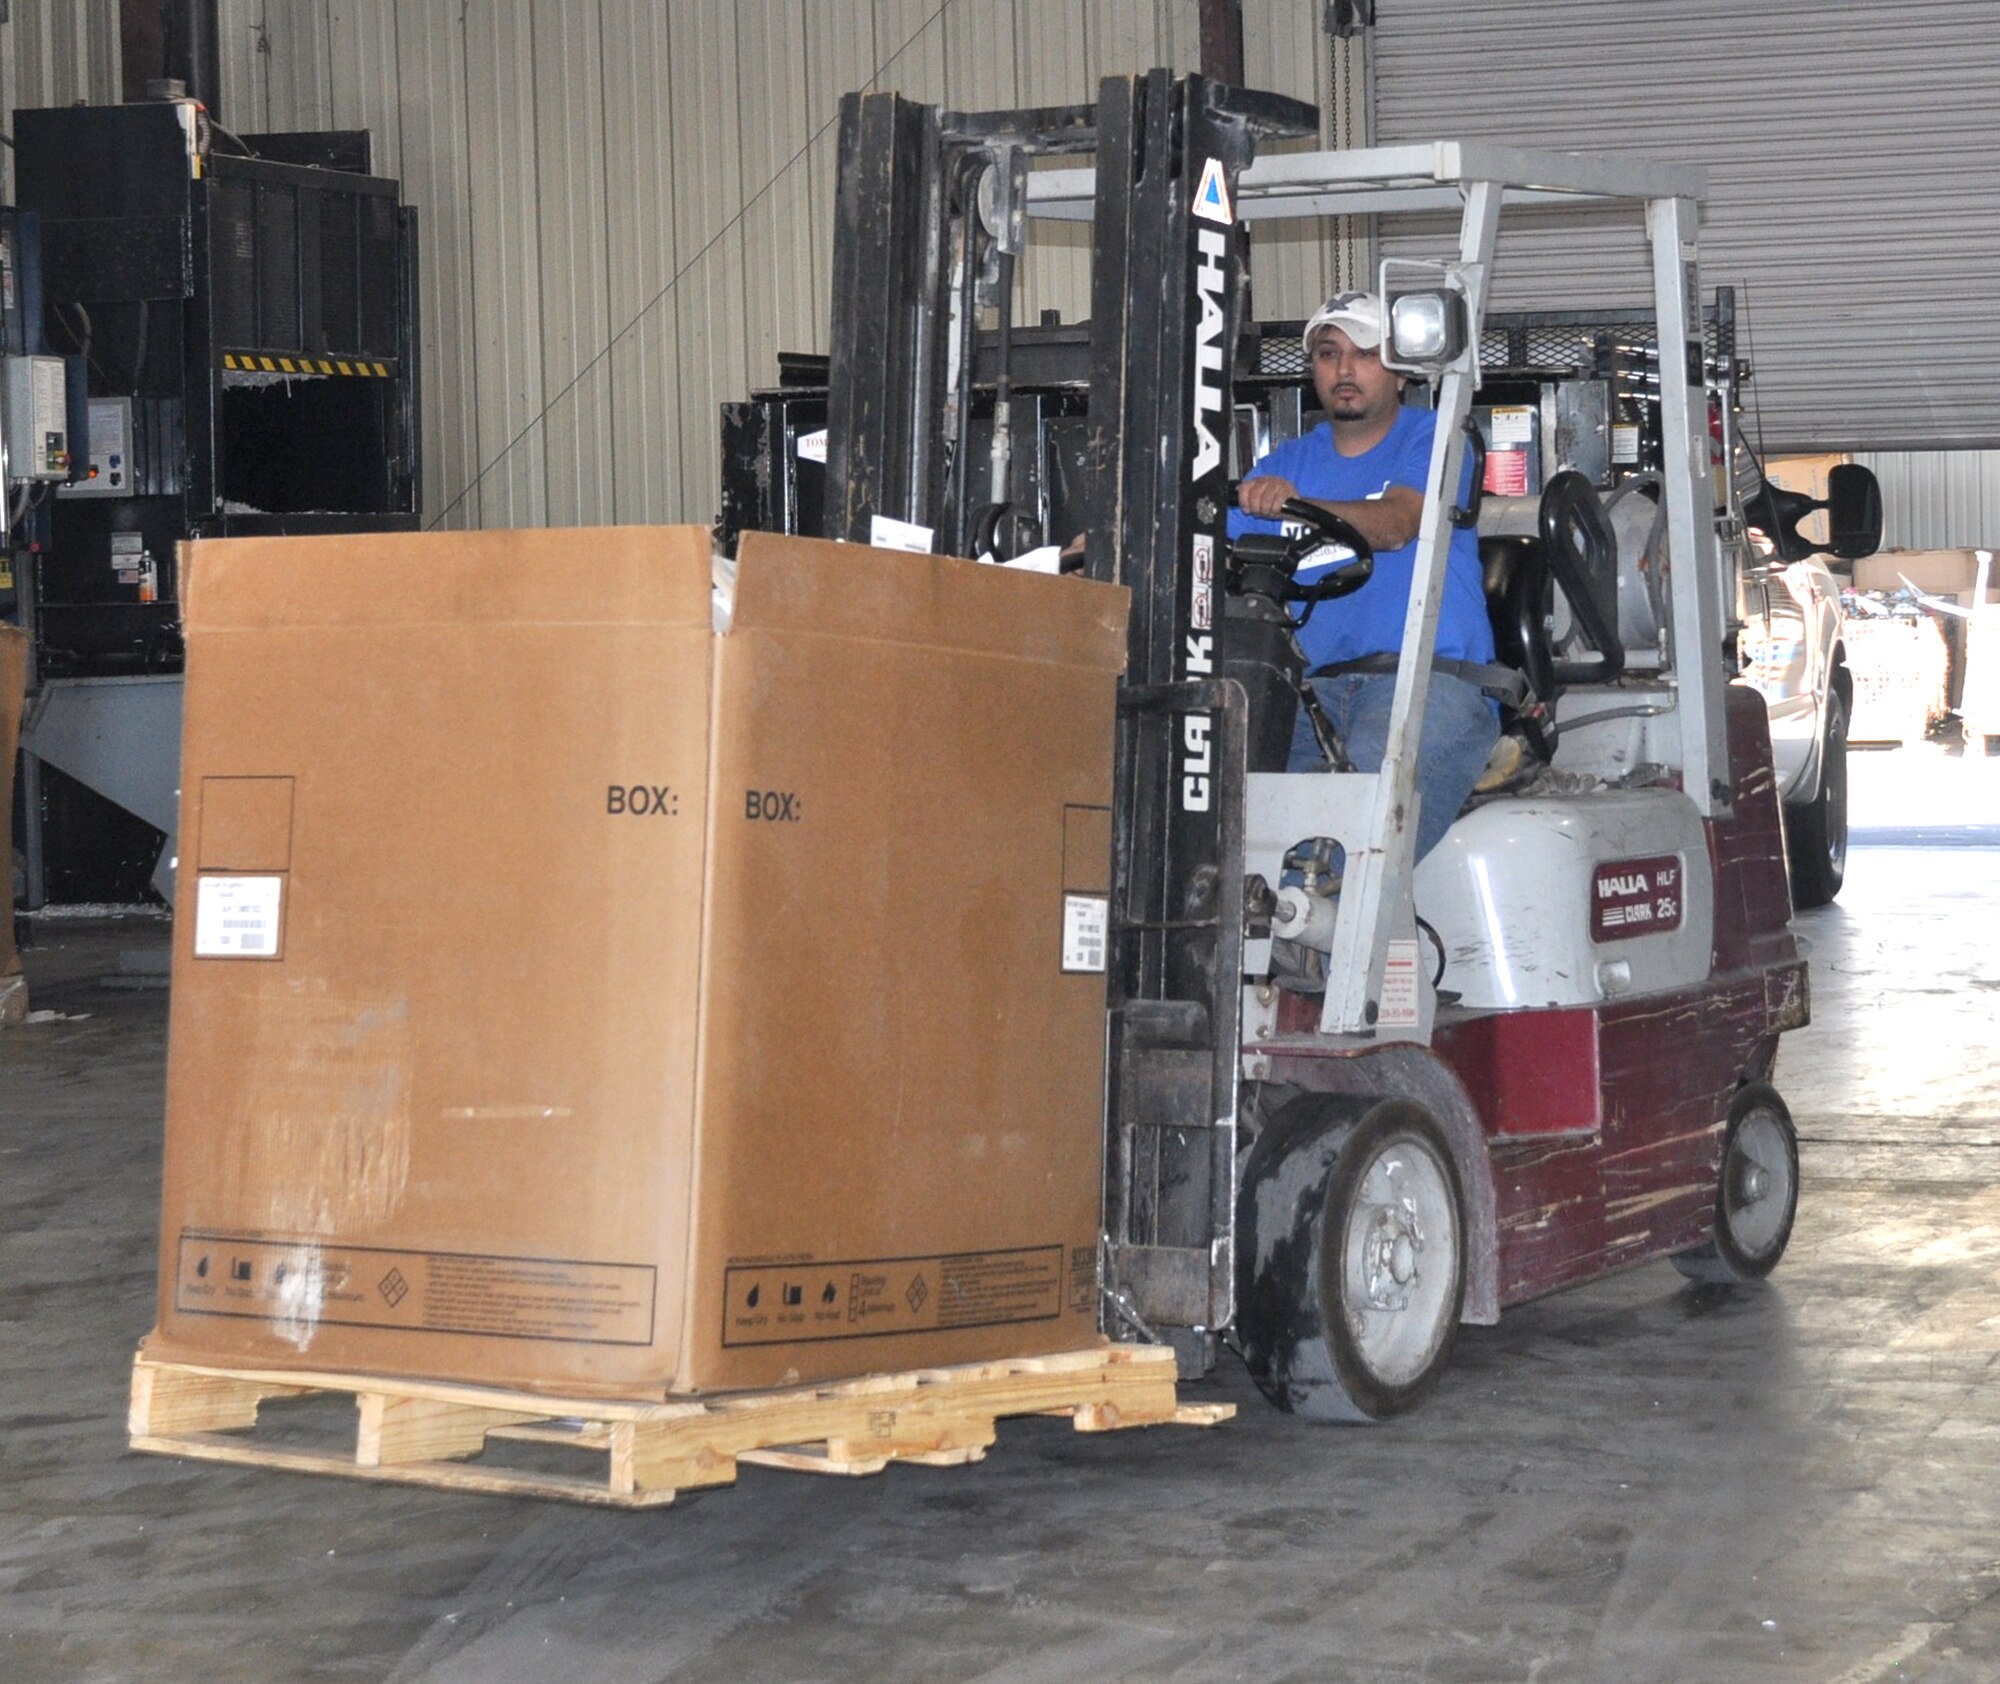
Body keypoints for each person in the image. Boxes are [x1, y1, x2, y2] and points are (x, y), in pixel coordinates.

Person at [1229, 290, 1499, 861]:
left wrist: (1302, 507)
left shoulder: (1435, 438)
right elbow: (1208, 536)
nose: (1345, 370)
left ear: (1401, 373)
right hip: (1315, 692)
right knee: (1246, 834)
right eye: (1329, 355)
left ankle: (1346, 946)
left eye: (1366, 355)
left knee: (1353, 836)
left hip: (1426, 681)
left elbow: (1400, 523)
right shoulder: (1286, 465)